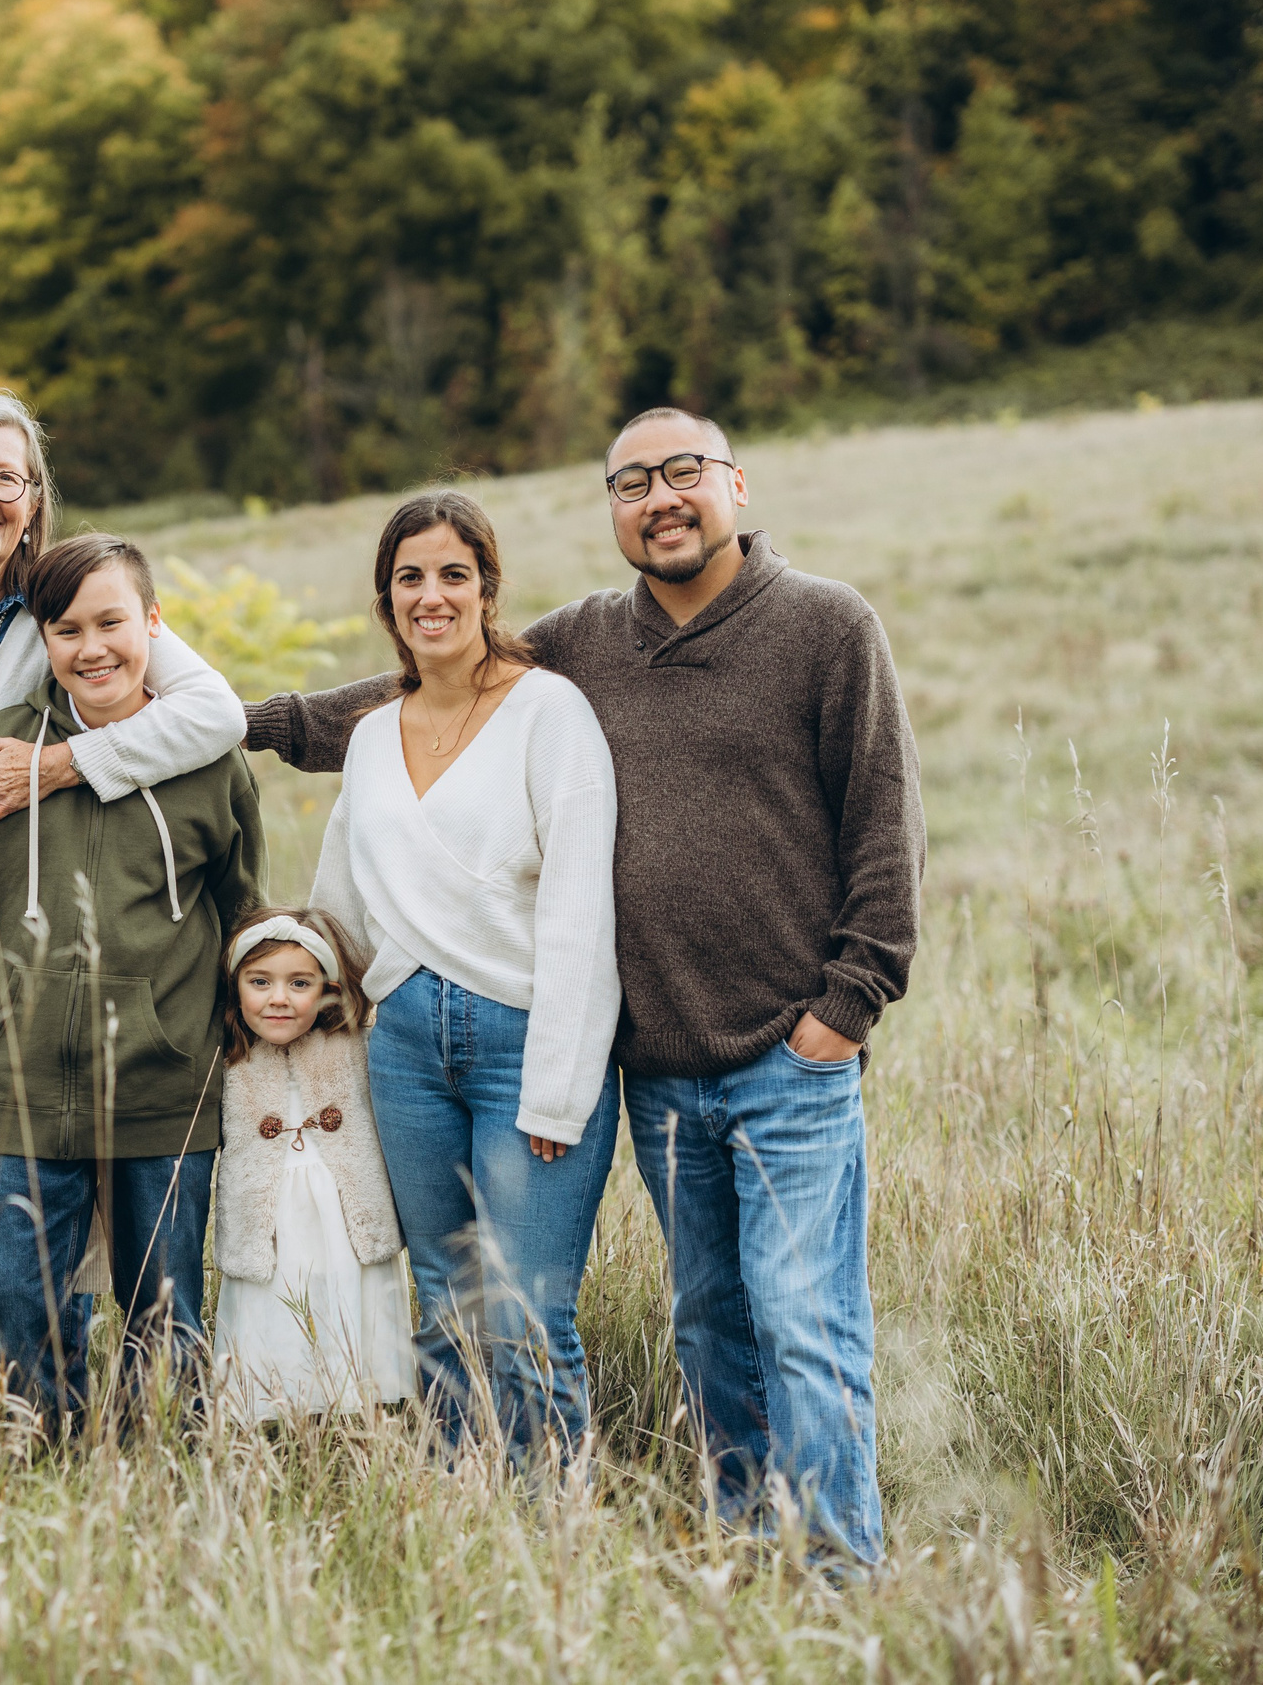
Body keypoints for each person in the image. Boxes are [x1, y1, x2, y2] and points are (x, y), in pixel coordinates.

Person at [252, 411, 925, 1564]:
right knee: (709, 1323)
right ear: (610, 507)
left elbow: (885, 829)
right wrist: (237, 724)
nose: (660, 498)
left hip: (788, 1057)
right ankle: (740, 1543)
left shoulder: (825, 626)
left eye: (683, 474)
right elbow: (428, 680)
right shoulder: (585, 643)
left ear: (733, 484)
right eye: (632, 482)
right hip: (658, 1063)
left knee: (805, 1327)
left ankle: (835, 1580)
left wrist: (842, 1013)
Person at [0, 391, 246, 1420]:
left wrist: (64, 763)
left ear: (34, 501)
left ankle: (107, 1430)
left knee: (52, 1243)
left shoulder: (60, 609)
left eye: (5, 477)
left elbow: (213, 712)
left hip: (33, 982)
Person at [303, 491, 621, 1463]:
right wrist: (290, 998)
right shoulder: (369, 734)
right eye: (409, 577)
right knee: (440, 1303)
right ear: (385, 599)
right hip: (402, 1048)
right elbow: (339, 902)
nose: (430, 595)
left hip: (525, 1041)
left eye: (452, 574)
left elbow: (578, 910)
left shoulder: (546, 713)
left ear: (487, 588)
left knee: (523, 1309)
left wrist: (560, 1090)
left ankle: (550, 1529)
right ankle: (458, 1516)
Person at [0, 534, 263, 1426]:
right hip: (26, 1088)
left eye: (113, 621)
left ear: (153, 622)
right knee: (25, 1312)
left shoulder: (209, 763)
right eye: (66, 629)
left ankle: (168, 1471)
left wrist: (226, 1055)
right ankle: (39, 1472)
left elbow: (243, 916)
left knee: (166, 1307)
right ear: (43, 638)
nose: (92, 647)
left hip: (166, 1086)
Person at [208, 906, 413, 1422]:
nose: (279, 998)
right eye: (260, 982)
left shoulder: (355, 1044)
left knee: (345, 1294)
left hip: (345, 1210)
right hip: (269, 1216)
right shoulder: (227, 1053)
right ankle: (274, 1407)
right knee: (274, 1301)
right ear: (236, 988)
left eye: (299, 982)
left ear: (326, 988)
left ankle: (354, 1413)